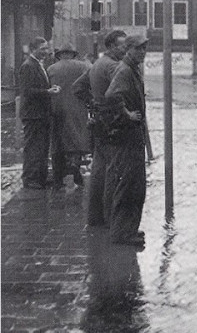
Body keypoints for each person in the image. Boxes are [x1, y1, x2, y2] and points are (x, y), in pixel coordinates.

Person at [72, 29, 128, 227]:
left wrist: (94, 103)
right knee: (114, 171)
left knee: (99, 169)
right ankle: (110, 217)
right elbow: (121, 94)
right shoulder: (114, 66)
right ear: (112, 46)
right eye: (123, 44)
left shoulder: (97, 65)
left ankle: (95, 217)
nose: (126, 48)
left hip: (98, 122)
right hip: (113, 122)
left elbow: (77, 88)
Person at [105, 34, 150, 247]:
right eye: (138, 49)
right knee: (128, 185)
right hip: (127, 136)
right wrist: (127, 115)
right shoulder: (124, 70)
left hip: (133, 136)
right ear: (129, 50)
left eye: (144, 49)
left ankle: (128, 229)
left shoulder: (132, 70)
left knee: (136, 185)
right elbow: (111, 95)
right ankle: (121, 233)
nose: (142, 53)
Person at [18, 37, 60, 190]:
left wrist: (49, 89)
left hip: (41, 114)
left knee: (42, 146)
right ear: (33, 49)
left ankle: (40, 177)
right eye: (42, 49)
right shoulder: (28, 66)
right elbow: (27, 91)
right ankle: (30, 179)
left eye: (46, 48)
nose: (46, 52)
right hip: (33, 114)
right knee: (33, 147)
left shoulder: (38, 65)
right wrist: (47, 92)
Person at [47, 44, 91, 188]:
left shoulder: (51, 69)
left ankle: (58, 178)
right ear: (73, 54)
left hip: (57, 109)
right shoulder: (84, 66)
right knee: (78, 140)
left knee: (58, 142)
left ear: (59, 55)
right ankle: (75, 167)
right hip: (78, 108)